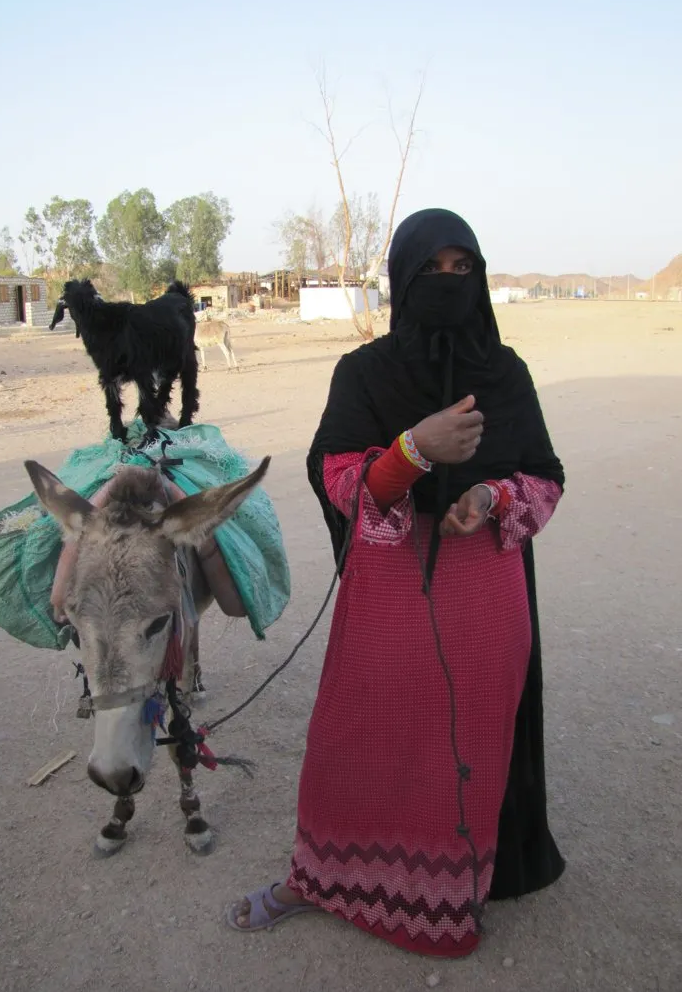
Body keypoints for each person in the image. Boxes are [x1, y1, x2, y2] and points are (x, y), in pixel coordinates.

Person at [228, 208, 565, 957]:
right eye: (428, 271)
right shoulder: (366, 373)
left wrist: (490, 498)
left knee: (466, 749)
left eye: (461, 269)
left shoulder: (506, 374)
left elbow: (544, 476)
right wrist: (415, 450)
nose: (447, 284)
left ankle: (453, 893)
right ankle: (317, 878)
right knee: (355, 736)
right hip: (389, 588)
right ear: (400, 281)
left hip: (485, 593)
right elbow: (337, 472)